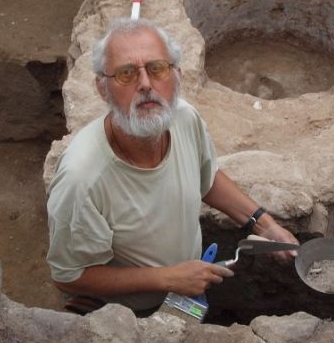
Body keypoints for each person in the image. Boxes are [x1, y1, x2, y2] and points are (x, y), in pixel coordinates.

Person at [46, 17, 298, 314]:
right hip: (124, 315)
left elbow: (206, 177)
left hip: (184, 287)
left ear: (177, 75)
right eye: (126, 74)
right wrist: (168, 278)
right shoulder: (81, 180)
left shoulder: (183, 118)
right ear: (103, 89)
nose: (145, 84)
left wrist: (265, 225)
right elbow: (69, 276)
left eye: (157, 69)